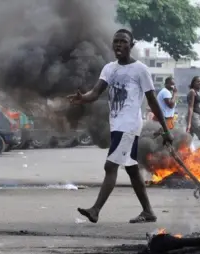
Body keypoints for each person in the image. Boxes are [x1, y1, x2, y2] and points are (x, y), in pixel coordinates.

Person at [67, 29, 173, 224]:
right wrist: (83, 99)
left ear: (131, 45)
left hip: (129, 126)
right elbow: (95, 92)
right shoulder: (109, 68)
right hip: (117, 125)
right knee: (132, 170)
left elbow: (152, 101)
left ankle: (96, 210)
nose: (118, 45)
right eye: (115, 41)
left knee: (110, 166)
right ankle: (148, 211)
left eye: (123, 41)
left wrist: (166, 129)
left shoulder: (140, 69)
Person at [186, 76, 200, 146]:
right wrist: (189, 124)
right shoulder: (192, 92)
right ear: (193, 83)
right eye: (198, 81)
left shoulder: (197, 92)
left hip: (196, 117)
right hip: (193, 117)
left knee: (187, 140)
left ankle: (183, 155)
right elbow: (190, 107)